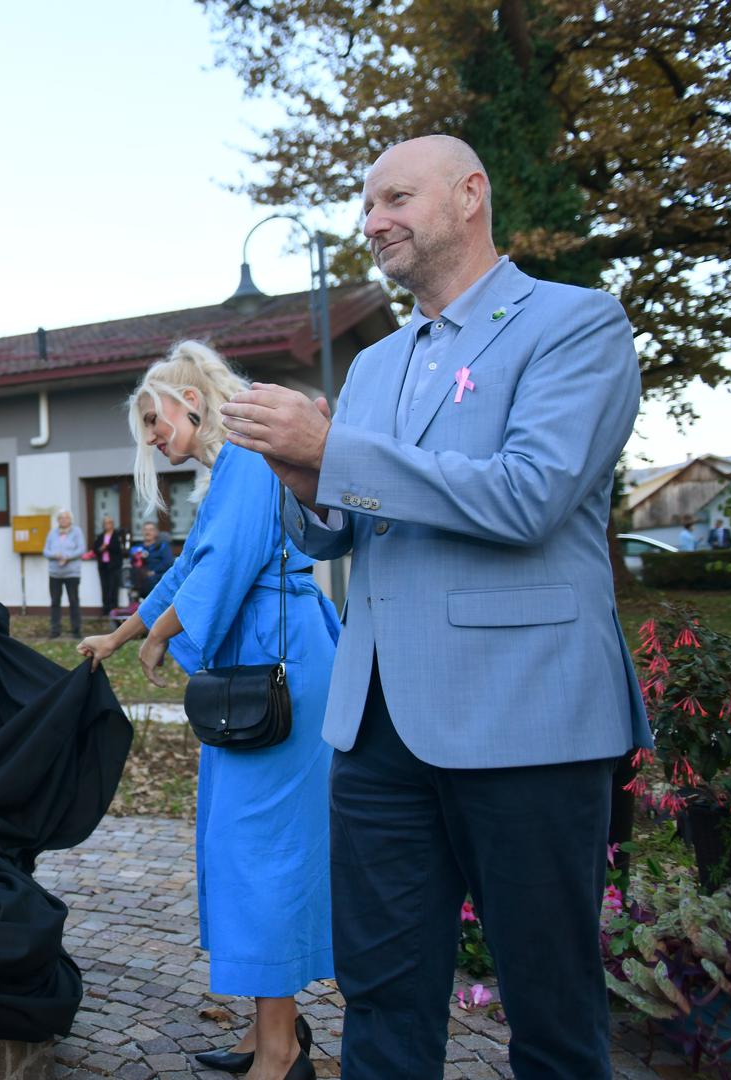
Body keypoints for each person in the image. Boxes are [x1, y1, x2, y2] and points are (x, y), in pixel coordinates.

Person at [220, 135, 650, 1078]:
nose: (373, 222)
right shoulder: (373, 366)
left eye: (395, 199)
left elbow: (527, 495)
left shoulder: (576, 324)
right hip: (375, 730)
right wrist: (299, 473)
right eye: (366, 206)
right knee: (381, 995)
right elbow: (337, 534)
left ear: (468, 195)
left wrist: (331, 454)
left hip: (527, 719)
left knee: (552, 1004)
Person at [79, 342, 335, 1080]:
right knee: (243, 850)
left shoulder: (250, 462)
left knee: (262, 853)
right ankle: (268, 1034)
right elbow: (193, 566)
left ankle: (281, 1050)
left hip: (275, 674)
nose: (154, 438)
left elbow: (220, 567)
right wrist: (125, 633)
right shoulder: (231, 473)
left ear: (192, 403)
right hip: (258, 671)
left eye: (155, 421)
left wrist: (162, 634)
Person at [43, 509, 85, 637]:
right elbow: (45, 551)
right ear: (58, 520)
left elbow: (81, 549)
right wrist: (56, 555)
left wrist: (67, 557)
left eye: (66, 517)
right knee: (55, 602)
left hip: (72, 574)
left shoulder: (76, 531)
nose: (63, 520)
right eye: (61, 517)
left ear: (70, 520)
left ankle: (76, 630)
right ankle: (55, 630)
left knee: (73, 601)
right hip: (55, 574)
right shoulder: (52, 532)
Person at [91, 514, 129, 615]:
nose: (108, 525)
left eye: (110, 522)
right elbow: (95, 549)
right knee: (105, 587)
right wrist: (101, 548)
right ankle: (105, 608)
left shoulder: (117, 535)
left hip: (114, 566)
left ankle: (113, 609)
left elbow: (119, 549)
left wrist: (106, 547)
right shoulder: (100, 536)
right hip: (103, 566)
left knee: (114, 587)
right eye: (106, 523)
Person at [128, 520, 173, 600]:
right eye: (145, 530)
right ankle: (136, 604)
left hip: (157, 575)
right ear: (142, 532)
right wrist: (135, 557)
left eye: (151, 530)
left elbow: (168, 562)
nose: (148, 532)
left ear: (156, 533)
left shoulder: (163, 546)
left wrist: (154, 571)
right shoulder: (137, 548)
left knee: (150, 581)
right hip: (141, 576)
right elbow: (133, 563)